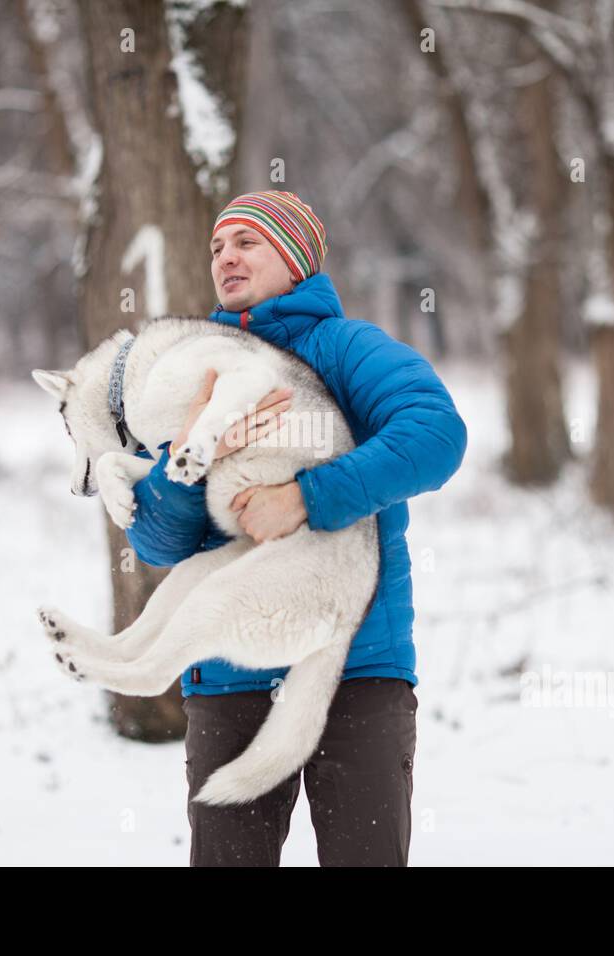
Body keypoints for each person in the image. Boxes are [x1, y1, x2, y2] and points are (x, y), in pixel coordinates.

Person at [125, 190, 467, 866]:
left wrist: (306, 497)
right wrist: (192, 455)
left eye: (247, 242)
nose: (226, 256)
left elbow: (435, 433)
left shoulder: (345, 351)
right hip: (231, 679)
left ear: (296, 257)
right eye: (218, 247)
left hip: (356, 670)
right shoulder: (197, 370)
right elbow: (156, 540)